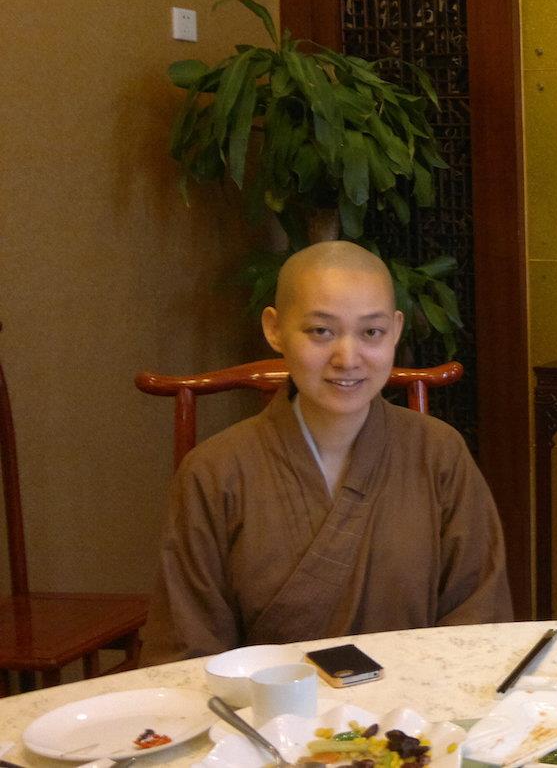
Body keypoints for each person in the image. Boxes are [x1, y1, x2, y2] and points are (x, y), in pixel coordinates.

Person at [145, 241, 513, 662]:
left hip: (418, 700)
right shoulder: (215, 471)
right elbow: (188, 650)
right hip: (264, 704)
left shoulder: (439, 454)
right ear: (274, 329)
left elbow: (479, 622)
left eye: (371, 333)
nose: (348, 358)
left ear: (395, 330)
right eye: (321, 331)